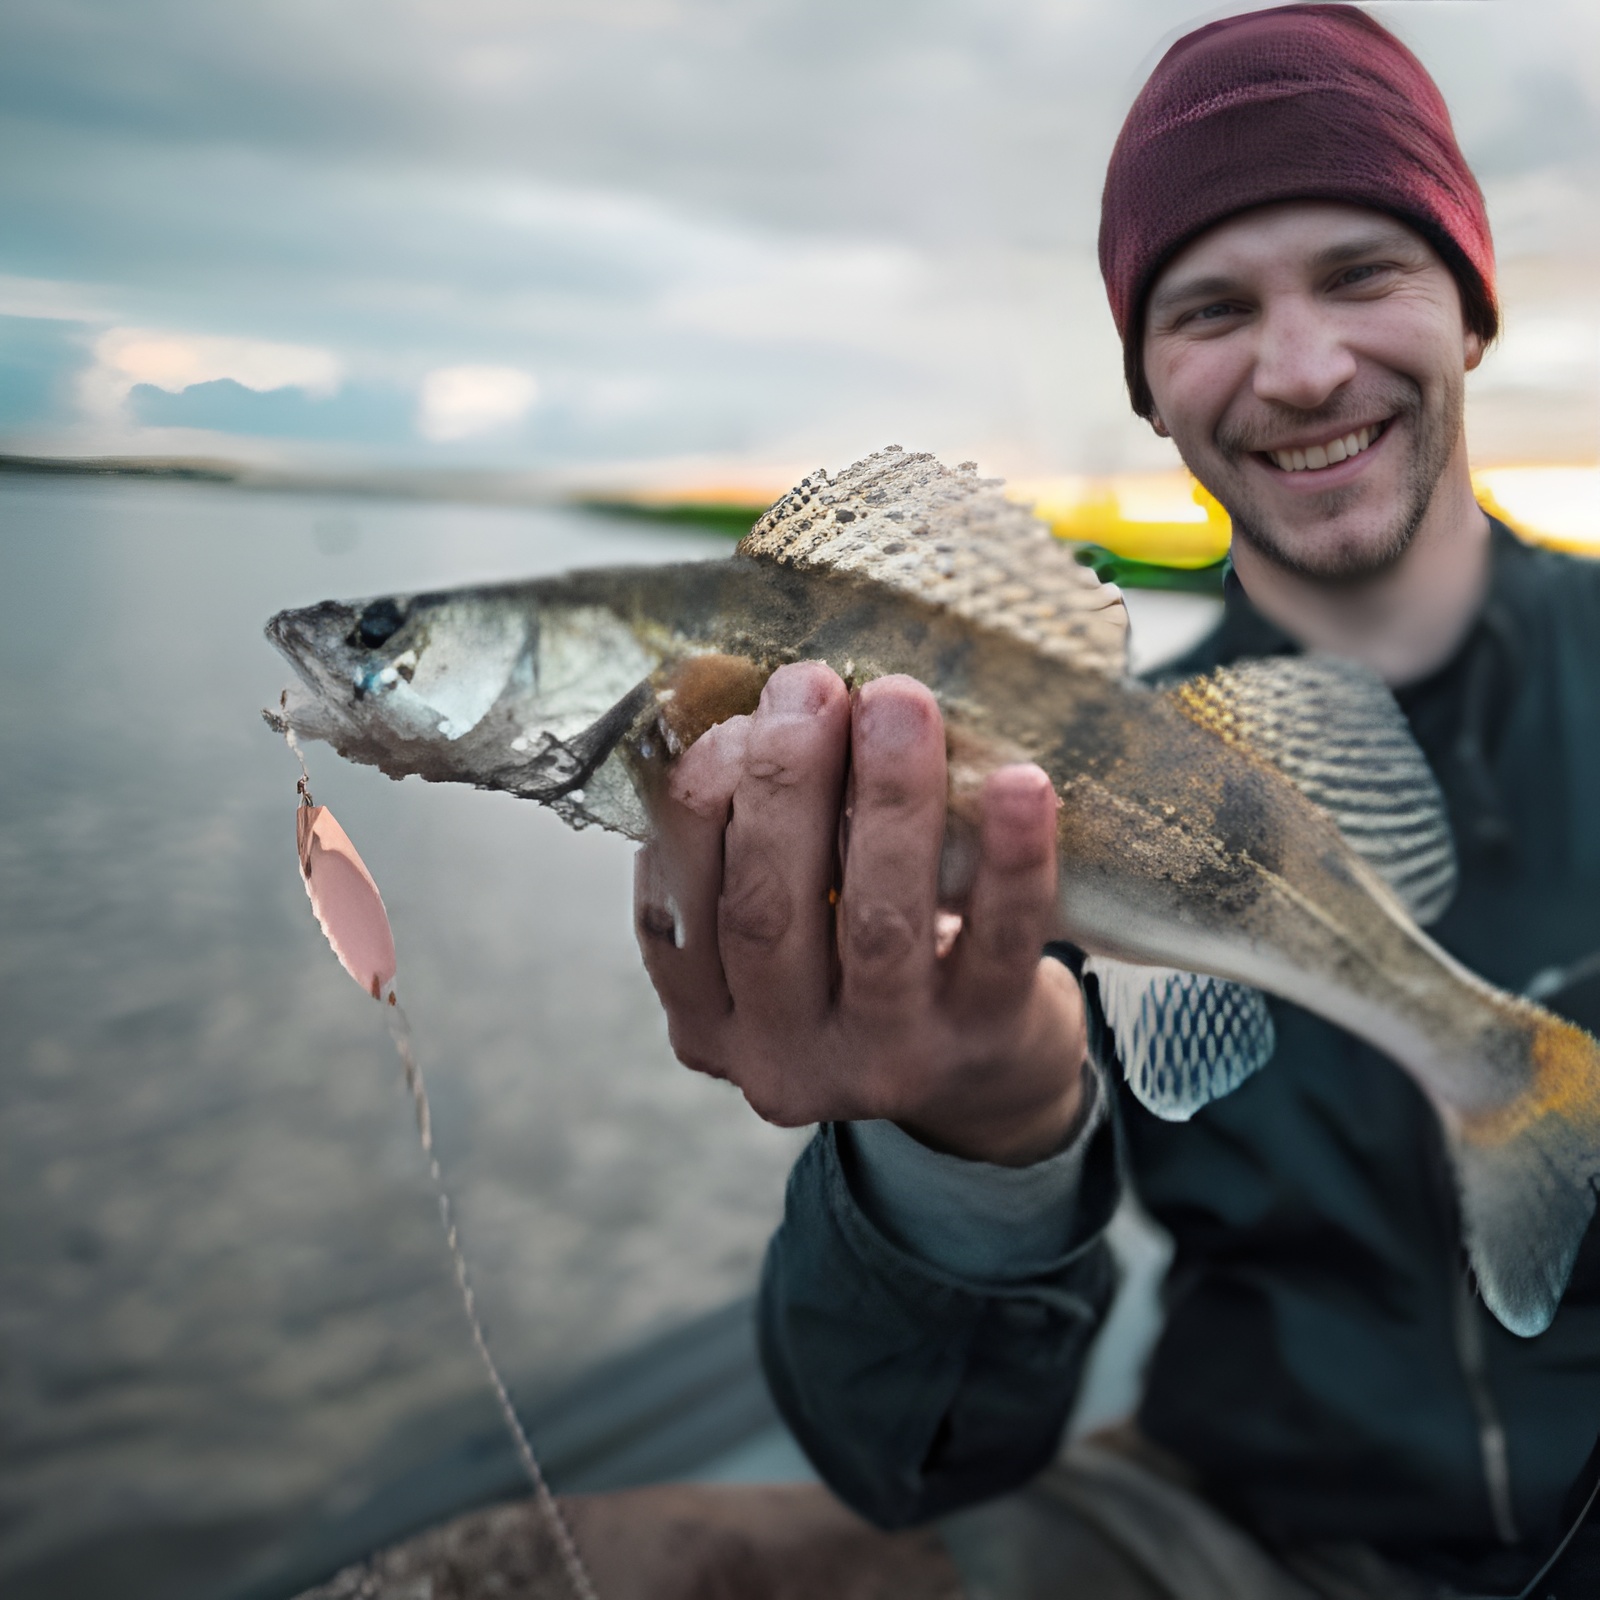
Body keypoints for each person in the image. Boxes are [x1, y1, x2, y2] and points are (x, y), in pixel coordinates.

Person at [632, 6, 1600, 1596]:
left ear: (1472, 310)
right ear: (1150, 385)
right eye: (1211, 308)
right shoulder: (1032, 793)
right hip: (1237, 1524)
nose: (1303, 368)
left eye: (1364, 274)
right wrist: (971, 1140)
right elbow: (918, 1465)